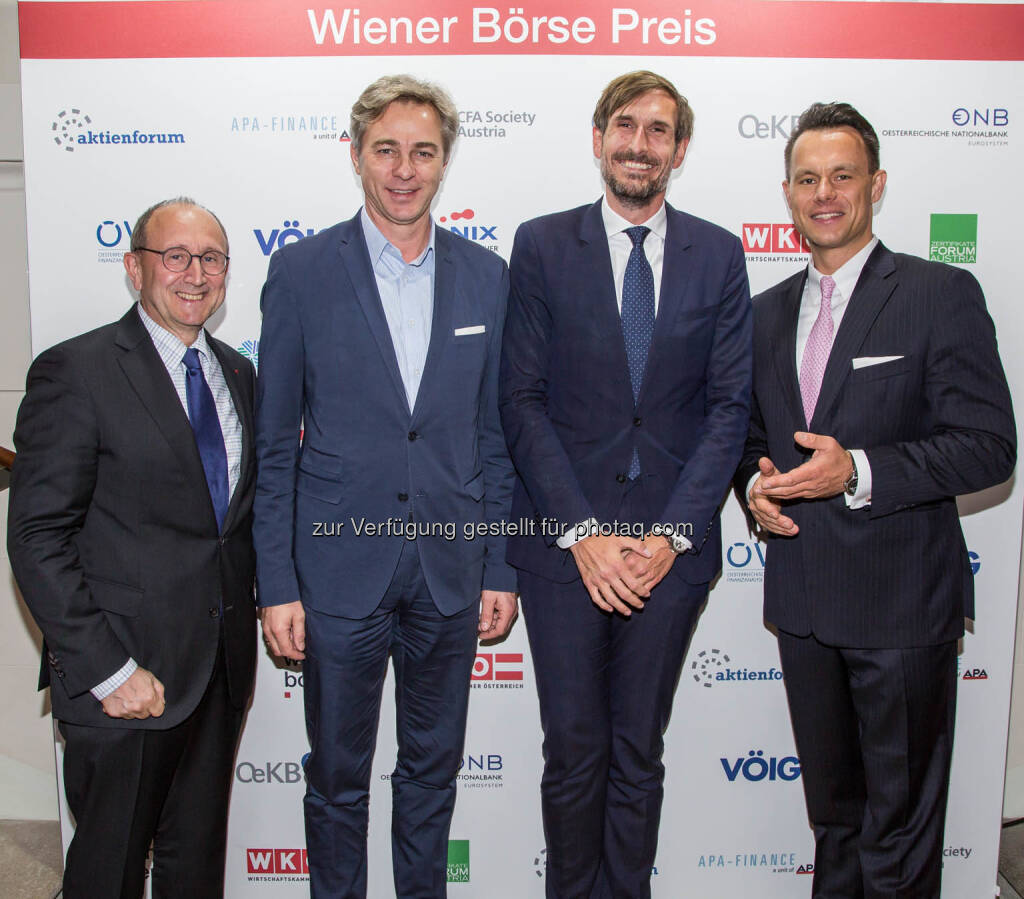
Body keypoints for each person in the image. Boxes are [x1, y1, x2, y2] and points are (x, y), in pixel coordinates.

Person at [736, 101, 1015, 896]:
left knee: (898, 836)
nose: (825, 193)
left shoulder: (939, 293)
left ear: (877, 184)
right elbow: (754, 436)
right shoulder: (762, 316)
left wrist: (856, 469)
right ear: (788, 194)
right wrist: (755, 487)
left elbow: (990, 446)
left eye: (843, 176)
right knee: (836, 824)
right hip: (804, 605)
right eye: (808, 179)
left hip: (901, 608)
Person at [255, 74, 517, 898]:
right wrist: (277, 582)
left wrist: (502, 567)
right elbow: (274, 445)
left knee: (432, 775)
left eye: (423, 152)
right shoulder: (300, 272)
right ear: (357, 154)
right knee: (336, 778)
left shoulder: (487, 275)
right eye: (387, 150)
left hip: (450, 571)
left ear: (445, 163)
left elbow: (494, 436)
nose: (404, 169)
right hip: (336, 574)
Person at [499, 71, 752, 898]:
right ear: (599, 136)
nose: (639, 144)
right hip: (564, 551)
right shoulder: (540, 243)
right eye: (625, 125)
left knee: (638, 750)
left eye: (658, 130)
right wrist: (584, 534)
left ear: (680, 150)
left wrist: (671, 536)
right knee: (573, 751)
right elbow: (522, 400)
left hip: (669, 552)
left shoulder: (718, 252)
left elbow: (728, 408)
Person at [8, 197, 257, 898]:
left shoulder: (238, 373)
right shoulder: (76, 371)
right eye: (174, 256)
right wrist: (107, 669)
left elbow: (229, 526)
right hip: (124, 676)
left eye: (211, 258)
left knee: (194, 868)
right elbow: (35, 535)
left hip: (218, 674)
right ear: (134, 268)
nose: (195, 273)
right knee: (108, 872)